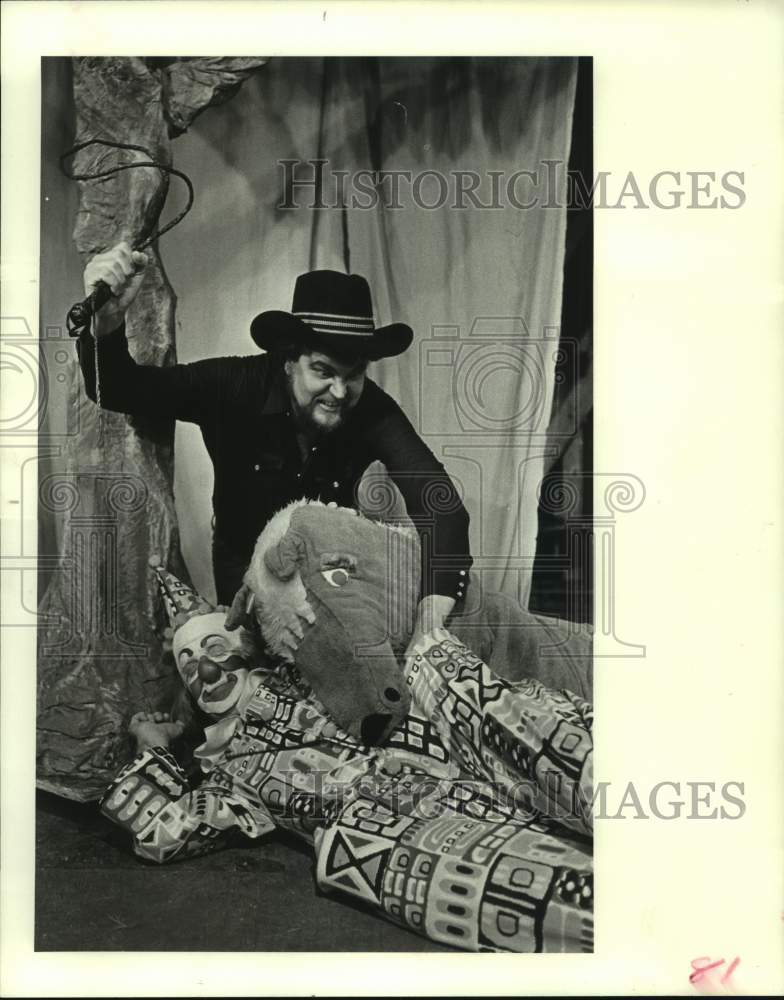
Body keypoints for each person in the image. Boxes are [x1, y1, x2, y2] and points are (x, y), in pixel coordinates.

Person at [102, 568, 594, 953]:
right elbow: (162, 833)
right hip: (401, 830)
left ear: (247, 649)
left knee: (478, 699)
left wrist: (408, 741)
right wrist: (154, 745)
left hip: (458, 753)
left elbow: (382, 658)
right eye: (188, 666)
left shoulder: (312, 670)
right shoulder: (230, 772)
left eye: (213, 649)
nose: (204, 669)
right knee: (570, 894)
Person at [78, 245, 472, 648]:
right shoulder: (231, 385)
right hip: (244, 568)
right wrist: (105, 324)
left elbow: (441, 503)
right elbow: (120, 389)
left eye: (353, 374)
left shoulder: (371, 407)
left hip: (334, 573)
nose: (339, 391)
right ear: (288, 359)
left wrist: (430, 620)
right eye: (323, 371)